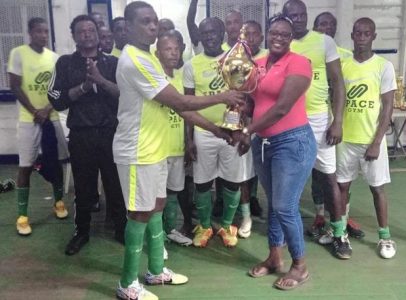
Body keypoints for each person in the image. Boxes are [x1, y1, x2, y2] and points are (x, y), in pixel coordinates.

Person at [113, 2, 244, 299]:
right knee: (139, 215)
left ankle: (156, 270)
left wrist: (216, 130)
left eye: (154, 22)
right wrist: (223, 96)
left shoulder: (150, 58)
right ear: (129, 25)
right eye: (145, 22)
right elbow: (182, 102)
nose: (151, 27)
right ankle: (126, 283)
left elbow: (179, 110)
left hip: (155, 150)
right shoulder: (135, 60)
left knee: (157, 208)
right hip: (137, 152)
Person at [239, 14, 315, 290]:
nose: (279, 38)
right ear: (267, 35)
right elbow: (250, 102)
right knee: (274, 202)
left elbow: (282, 107)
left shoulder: (299, 63)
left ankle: (300, 265)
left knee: (285, 206)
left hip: (292, 142)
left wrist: (247, 131)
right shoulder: (257, 64)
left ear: (291, 37)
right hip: (264, 143)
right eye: (274, 33)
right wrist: (239, 121)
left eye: (285, 34)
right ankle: (274, 257)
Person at [47, 15, 127, 255]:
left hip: (111, 133)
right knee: (83, 189)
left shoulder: (113, 63)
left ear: (99, 33)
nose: (87, 34)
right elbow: (57, 100)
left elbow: (123, 96)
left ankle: (122, 230)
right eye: (81, 31)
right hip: (81, 135)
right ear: (74, 36)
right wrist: (83, 87)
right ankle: (81, 233)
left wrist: (100, 81)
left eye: (91, 30)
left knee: (116, 186)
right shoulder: (65, 63)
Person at [283, 0, 351, 259]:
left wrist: (337, 121)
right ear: (286, 18)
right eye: (293, 15)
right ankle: (286, 232)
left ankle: (339, 234)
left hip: (319, 120)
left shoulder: (324, 42)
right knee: (288, 177)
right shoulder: (281, 43)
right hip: (290, 120)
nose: (298, 19)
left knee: (328, 177)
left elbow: (338, 83)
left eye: (302, 15)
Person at [184, 17, 247, 248]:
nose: (209, 36)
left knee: (231, 182)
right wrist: (188, 139)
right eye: (204, 32)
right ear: (200, 36)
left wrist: (244, 130)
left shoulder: (235, 60)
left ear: (222, 34)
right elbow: (187, 103)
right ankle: (204, 225)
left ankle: (228, 224)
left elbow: (243, 98)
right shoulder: (192, 65)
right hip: (203, 131)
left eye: (213, 32)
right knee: (202, 182)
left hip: (232, 133)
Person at [338, 18, 397, 259]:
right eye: (358, 33)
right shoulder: (342, 65)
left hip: (371, 140)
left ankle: (384, 237)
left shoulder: (384, 66)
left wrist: (376, 142)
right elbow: (337, 100)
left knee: (377, 189)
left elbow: (388, 108)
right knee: (342, 187)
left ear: (373, 36)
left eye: (367, 33)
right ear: (352, 36)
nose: (362, 37)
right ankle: (340, 233)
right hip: (345, 140)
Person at [8, 17, 68, 236]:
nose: (43, 35)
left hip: (51, 118)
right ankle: (22, 215)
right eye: (39, 31)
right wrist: (34, 111)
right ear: (30, 33)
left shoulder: (54, 58)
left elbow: (59, 89)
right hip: (28, 120)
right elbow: (14, 85)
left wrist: (46, 109)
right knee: (25, 166)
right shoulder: (18, 53)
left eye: (46, 31)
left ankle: (59, 202)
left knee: (56, 163)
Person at [312, 11, 365, 240]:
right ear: (315, 27)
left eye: (331, 24)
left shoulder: (344, 55)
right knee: (318, 172)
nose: (327, 28)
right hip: (318, 119)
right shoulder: (309, 51)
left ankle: (342, 215)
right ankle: (320, 214)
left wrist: (339, 121)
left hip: (340, 122)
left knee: (340, 172)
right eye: (322, 24)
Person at [155, 31, 192, 246]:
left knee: (173, 190)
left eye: (176, 49)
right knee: (157, 195)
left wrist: (188, 140)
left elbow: (187, 111)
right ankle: (156, 234)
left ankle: (169, 230)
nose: (173, 53)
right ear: (157, 52)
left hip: (177, 147)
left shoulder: (180, 78)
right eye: (168, 49)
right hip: (157, 148)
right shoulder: (155, 78)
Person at [236, 20, 267, 239]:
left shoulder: (270, 57)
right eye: (247, 35)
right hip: (246, 121)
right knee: (245, 172)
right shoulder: (237, 58)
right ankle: (245, 217)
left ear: (262, 37)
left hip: (269, 123)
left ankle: (275, 214)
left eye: (255, 34)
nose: (251, 38)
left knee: (270, 173)